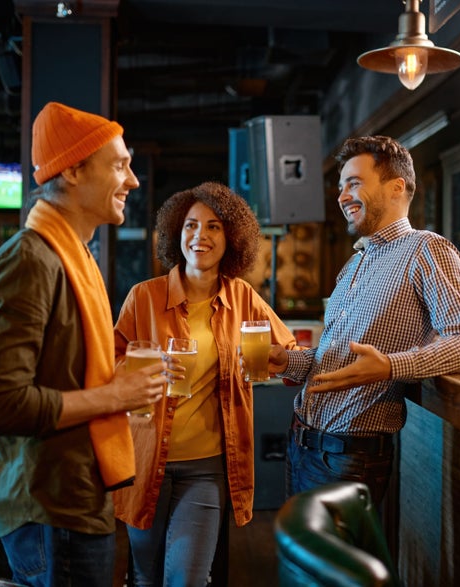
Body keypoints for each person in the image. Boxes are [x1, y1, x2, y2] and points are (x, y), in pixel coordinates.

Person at [0, 101, 166, 587]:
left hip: (71, 499)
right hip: (49, 509)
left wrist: (117, 381)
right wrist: (113, 396)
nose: (133, 180)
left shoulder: (70, 252)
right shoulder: (30, 261)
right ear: (74, 171)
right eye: (120, 166)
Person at [269, 135, 460, 506]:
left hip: (348, 457)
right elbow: (333, 358)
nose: (341, 196)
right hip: (302, 443)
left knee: (332, 566)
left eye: (353, 183)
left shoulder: (427, 249)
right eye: (341, 187)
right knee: (303, 564)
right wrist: (287, 360)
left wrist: (389, 367)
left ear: (396, 187)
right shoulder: (354, 263)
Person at [111, 181, 297, 586]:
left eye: (214, 227)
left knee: (190, 579)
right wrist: (145, 366)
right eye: (192, 225)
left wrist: (271, 359)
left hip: (207, 467)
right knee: (143, 577)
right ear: (177, 233)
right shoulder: (143, 297)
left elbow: (288, 351)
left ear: (231, 238)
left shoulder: (244, 297)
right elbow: (109, 364)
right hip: (143, 462)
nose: (201, 236)